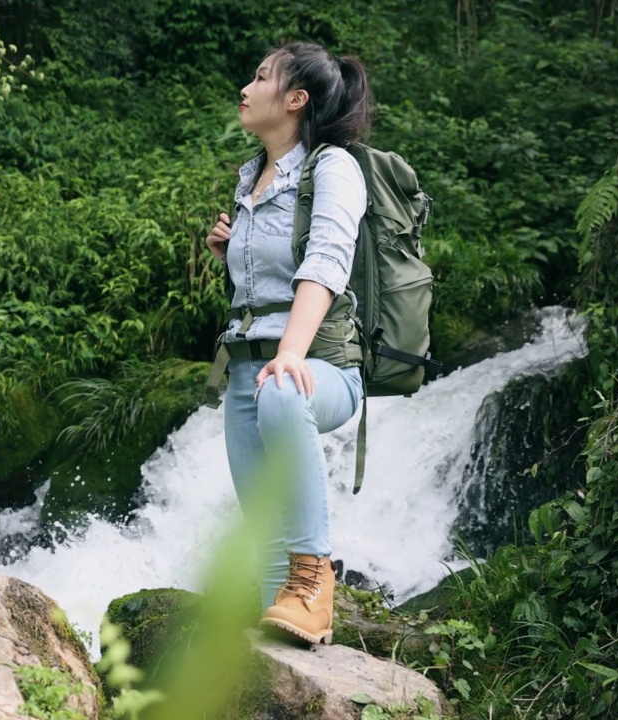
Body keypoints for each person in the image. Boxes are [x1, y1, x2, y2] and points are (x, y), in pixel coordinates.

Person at [204, 41, 372, 645]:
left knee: (281, 393)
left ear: (295, 99)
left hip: (317, 367)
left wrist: (292, 355)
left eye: (260, 77)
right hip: (249, 370)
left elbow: (326, 262)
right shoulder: (253, 176)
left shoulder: (334, 168)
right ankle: (289, 632)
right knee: (263, 550)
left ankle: (316, 582)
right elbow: (264, 287)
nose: (245, 89)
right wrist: (233, 255)